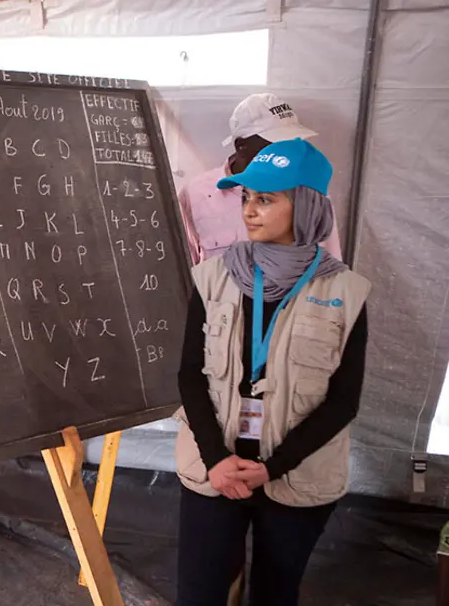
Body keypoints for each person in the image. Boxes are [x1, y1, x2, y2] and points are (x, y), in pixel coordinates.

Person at [173, 138, 370, 606]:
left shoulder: (347, 292)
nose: (249, 210)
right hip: (214, 468)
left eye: (265, 199)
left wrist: (273, 468)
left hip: (296, 475)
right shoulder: (213, 277)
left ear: (305, 204)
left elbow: (343, 401)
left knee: (275, 593)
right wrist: (216, 459)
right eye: (246, 197)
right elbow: (189, 375)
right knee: (198, 594)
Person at [178, 93, 343, 265]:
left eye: (290, 144)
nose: (284, 153)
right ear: (241, 146)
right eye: (274, 144)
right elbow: (182, 267)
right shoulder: (196, 194)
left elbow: (329, 263)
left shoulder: (308, 187)